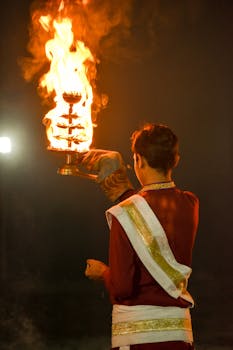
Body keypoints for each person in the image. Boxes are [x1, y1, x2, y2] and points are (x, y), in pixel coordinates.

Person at [81, 123, 199, 350]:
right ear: (175, 160)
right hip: (180, 339)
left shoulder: (123, 214)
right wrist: (126, 194)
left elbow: (123, 288)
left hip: (138, 341)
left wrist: (104, 273)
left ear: (138, 160)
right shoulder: (190, 203)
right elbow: (152, 217)